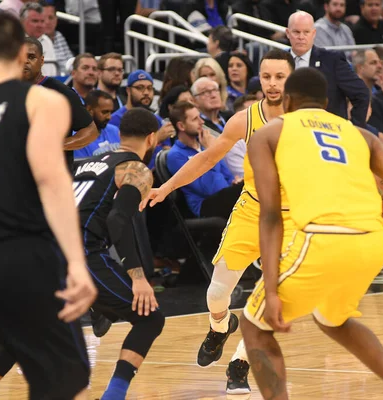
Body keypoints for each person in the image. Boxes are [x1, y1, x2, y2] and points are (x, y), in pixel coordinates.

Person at [241, 67, 383, 400]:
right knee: (333, 320)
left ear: (288, 101)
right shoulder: (361, 134)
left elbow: (270, 216)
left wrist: (271, 288)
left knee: (253, 324)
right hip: (370, 242)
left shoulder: (269, 134)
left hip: (320, 237)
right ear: (325, 103)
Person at [0, 12, 96, 400]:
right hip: (24, 257)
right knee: (64, 377)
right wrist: (77, 263)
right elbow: (52, 182)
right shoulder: (42, 100)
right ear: (21, 53)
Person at [0, 108, 165, 400]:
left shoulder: (86, 162)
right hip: (79, 254)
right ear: (151, 139)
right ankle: (113, 395)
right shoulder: (136, 169)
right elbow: (117, 220)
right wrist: (137, 276)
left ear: (120, 134)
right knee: (150, 317)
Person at [144, 49, 295, 395]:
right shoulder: (245, 119)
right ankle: (219, 326)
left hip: (291, 220)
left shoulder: (305, 119)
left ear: (291, 78)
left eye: (280, 77)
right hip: (251, 211)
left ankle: (239, 365)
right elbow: (207, 159)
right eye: (267, 76)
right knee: (216, 294)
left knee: (270, 298)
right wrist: (166, 187)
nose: (272, 84)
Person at [22, 37, 99, 171]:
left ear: (41, 61)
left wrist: (60, 145)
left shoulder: (61, 92)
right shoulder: (6, 91)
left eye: (31, 57)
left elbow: (90, 131)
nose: (25, 61)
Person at [287, 10, 370, 127]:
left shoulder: (332, 60)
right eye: (296, 32)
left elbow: (361, 94)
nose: (301, 37)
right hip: (291, 131)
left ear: (314, 33)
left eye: (306, 32)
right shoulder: (280, 60)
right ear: (287, 33)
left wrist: (353, 128)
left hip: (329, 133)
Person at [167, 101, 243, 219]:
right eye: (195, 119)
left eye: (200, 117)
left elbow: (227, 173)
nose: (201, 122)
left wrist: (235, 181)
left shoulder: (203, 145)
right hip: (205, 205)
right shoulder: (175, 155)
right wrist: (211, 151)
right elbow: (208, 188)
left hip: (224, 195)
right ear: (181, 126)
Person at [74, 90, 120, 158]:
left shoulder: (114, 130)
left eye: (111, 112)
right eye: (105, 112)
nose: (109, 117)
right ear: (89, 109)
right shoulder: (77, 137)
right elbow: (81, 167)